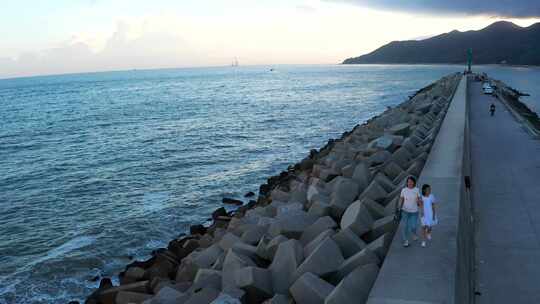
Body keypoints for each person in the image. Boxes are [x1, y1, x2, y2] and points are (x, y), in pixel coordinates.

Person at [399, 176, 422, 247]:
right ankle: (405, 241)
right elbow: (401, 199)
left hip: (414, 212)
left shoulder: (416, 190)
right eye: (408, 182)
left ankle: (414, 234)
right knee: (404, 226)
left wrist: (420, 204)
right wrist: (399, 207)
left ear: (414, 182)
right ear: (407, 182)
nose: (410, 183)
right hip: (405, 211)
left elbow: (419, 201)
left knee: (413, 226)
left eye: (411, 182)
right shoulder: (403, 190)